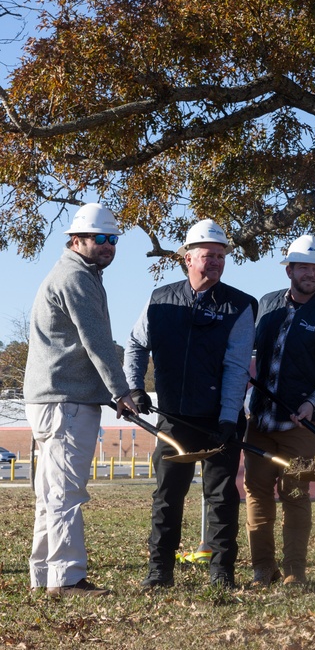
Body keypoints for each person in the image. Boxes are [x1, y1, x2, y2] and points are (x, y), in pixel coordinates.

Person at [125, 219, 256, 589]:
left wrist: (229, 419)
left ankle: (221, 572)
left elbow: (235, 368)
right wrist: (136, 388)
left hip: (219, 419)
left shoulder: (241, 306)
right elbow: (135, 345)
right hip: (172, 418)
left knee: (221, 496)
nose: (215, 262)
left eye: (220, 256)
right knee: (167, 496)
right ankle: (159, 571)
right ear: (187, 258)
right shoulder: (160, 299)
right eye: (207, 256)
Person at [24, 203, 139, 597]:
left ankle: (44, 576)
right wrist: (121, 391)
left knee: (51, 492)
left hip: (56, 399)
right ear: (76, 240)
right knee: (65, 493)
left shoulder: (78, 274)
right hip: (64, 401)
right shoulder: (76, 277)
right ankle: (68, 579)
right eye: (99, 239)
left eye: (112, 240)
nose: (107, 246)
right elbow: (97, 343)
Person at [244, 235, 315, 587]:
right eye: (304, 267)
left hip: (304, 425)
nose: (311, 273)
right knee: (256, 490)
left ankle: (294, 572)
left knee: (294, 492)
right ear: (289, 269)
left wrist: (311, 403)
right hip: (260, 420)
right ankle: (263, 569)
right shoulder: (266, 305)